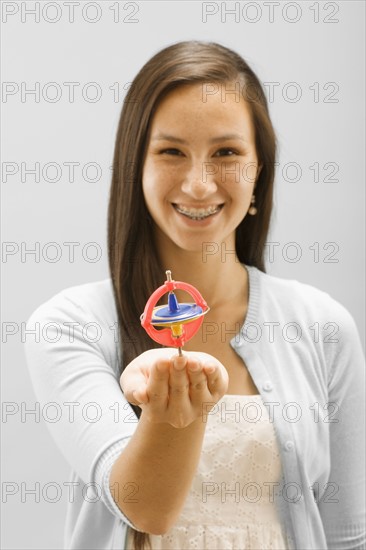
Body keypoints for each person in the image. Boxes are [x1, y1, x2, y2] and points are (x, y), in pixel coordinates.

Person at [24, 41, 365, 550]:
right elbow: (145, 506)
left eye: (226, 153)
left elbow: (346, 533)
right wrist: (171, 410)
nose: (200, 184)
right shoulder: (68, 325)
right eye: (171, 152)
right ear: (135, 168)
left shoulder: (324, 327)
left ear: (259, 170)